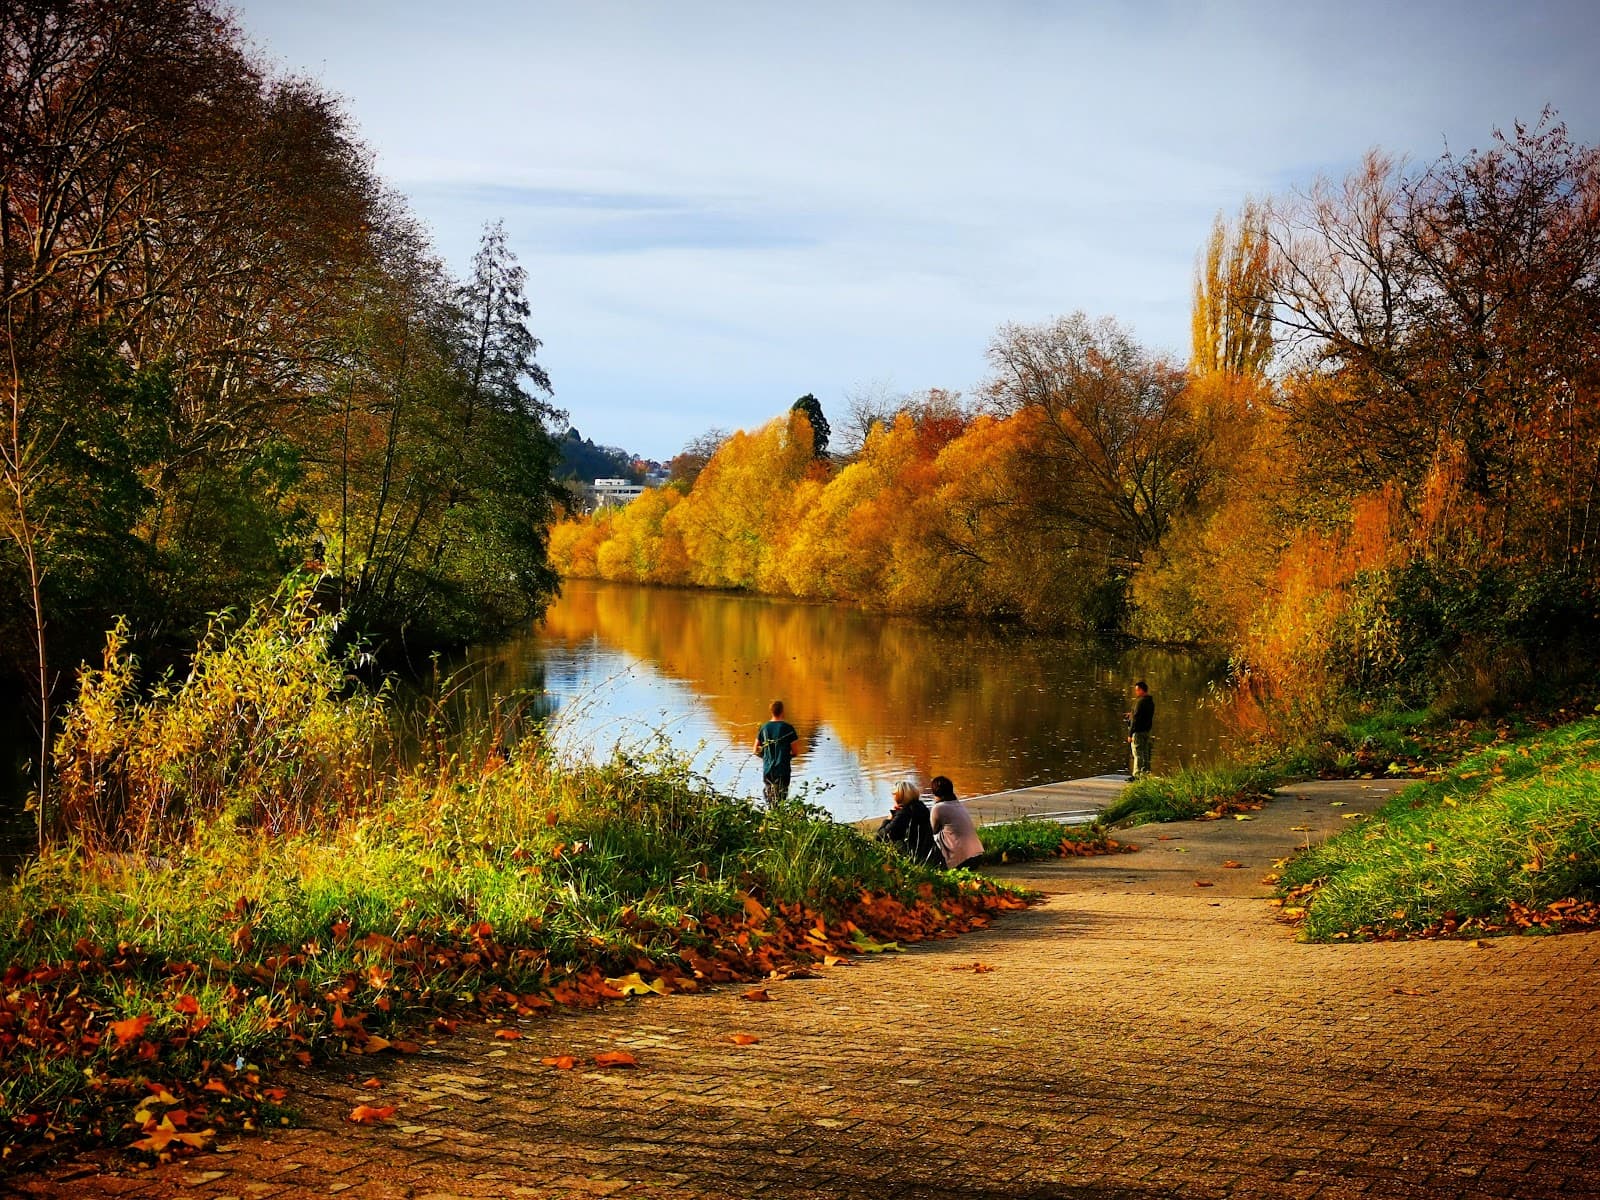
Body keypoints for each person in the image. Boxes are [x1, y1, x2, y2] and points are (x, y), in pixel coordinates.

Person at [876, 781, 941, 866]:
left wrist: (889, 819)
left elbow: (881, 836)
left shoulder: (905, 813)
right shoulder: (921, 808)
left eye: (893, 794)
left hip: (914, 858)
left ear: (899, 796)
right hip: (928, 854)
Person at [927, 775, 984, 870]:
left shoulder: (938, 808)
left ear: (934, 791)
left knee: (932, 838)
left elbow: (932, 831)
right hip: (977, 856)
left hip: (963, 861)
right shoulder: (958, 804)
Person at [752, 699, 799, 804]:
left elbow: (755, 750)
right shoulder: (788, 728)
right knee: (781, 798)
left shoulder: (763, 728)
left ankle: (770, 817)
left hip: (768, 769)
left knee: (770, 798)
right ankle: (779, 818)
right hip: (783, 768)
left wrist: (765, 757)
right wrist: (787, 756)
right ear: (782, 711)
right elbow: (795, 751)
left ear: (771, 711)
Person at [1125, 680, 1155, 779]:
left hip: (1137, 732)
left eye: (1137, 690)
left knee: (1137, 753)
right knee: (1145, 753)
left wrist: (1130, 734)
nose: (1136, 692)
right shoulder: (1150, 702)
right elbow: (1144, 715)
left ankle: (1136, 775)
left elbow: (1136, 719)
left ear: (1142, 690)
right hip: (1146, 731)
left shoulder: (1140, 701)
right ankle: (1145, 773)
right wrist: (1131, 714)